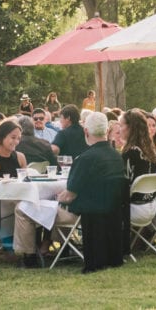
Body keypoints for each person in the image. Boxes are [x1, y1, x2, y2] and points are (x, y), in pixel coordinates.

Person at [56, 112, 128, 272]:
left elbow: (69, 196)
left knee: (38, 209)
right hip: (112, 212)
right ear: (107, 131)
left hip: (88, 212)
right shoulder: (116, 156)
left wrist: (56, 198)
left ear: (86, 132)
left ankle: (39, 253)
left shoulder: (84, 159)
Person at [119, 110, 156, 183]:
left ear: (130, 128)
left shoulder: (130, 152)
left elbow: (124, 182)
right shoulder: (149, 151)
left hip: (132, 193)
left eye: (121, 125)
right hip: (149, 193)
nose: (119, 129)